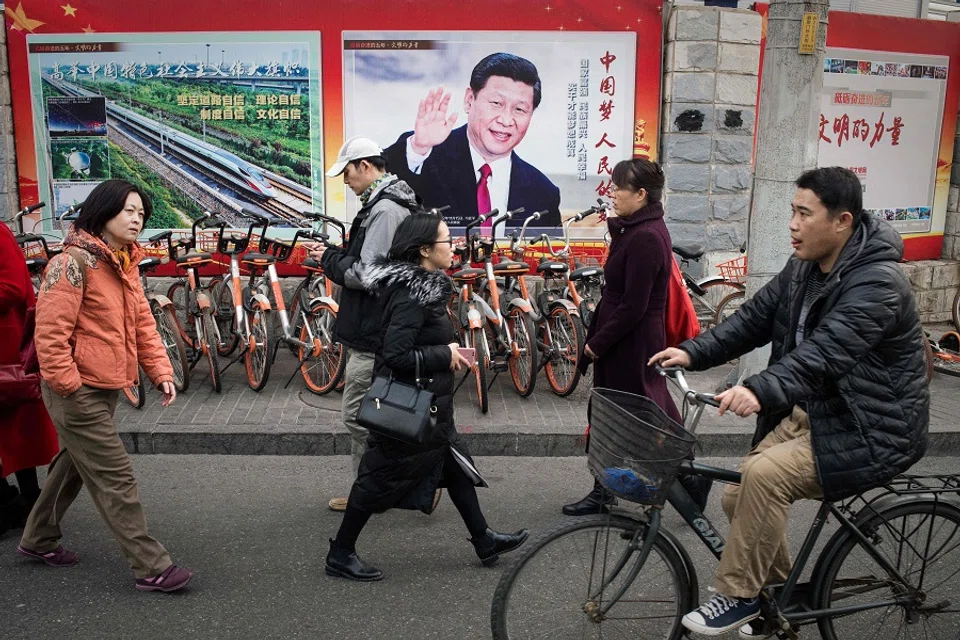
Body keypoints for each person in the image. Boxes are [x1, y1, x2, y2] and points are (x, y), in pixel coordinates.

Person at [650, 167, 929, 637]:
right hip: (819, 413)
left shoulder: (877, 283)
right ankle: (772, 600)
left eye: (804, 213)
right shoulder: (804, 265)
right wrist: (694, 352)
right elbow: (756, 317)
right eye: (792, 212)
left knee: (763, 475)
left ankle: (739, 597)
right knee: (740, 493)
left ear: (842, 221)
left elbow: (824, 355)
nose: (793, 225)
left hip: (873, 426)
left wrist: (758, 389)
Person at [325, 213, 529, 581]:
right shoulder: (413, 294)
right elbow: (394, 354)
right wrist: (444, 354)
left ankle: (483, 539)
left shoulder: (426, 287)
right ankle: (340, 552)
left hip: (432, 405)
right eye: (446, 241)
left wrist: (444, 351)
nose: (453, 247)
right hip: (409, 409)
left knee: (455, 467)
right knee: (375, 480)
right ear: (424, 250)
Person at [19, 179, 193, 593]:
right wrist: (68, 386)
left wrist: (161, 371)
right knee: (116, 476)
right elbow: (50, 336)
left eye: (141, 214)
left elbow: (142, 324)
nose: (137, 219)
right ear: (104, 211)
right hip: (77, 390)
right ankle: (151, 566)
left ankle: (37, 538)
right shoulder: (71, 263)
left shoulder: (124, 262)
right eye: (129, 211)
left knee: (76, 465)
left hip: (106, 383)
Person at [562, 158, 710, 516]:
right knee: (625, 411)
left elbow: (634, 305)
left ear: (641, 194)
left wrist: (598, 342)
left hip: (632, 341)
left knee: (632, 413)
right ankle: (614, 486)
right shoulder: (639, 229)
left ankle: (686, 474)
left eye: (618, 189)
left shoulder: (645, 237)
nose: (612, 194)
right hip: (630, 336)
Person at [308, 136, 418, 512]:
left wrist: (329, 260)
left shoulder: (385, 210)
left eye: (348, 173)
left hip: (373, 332)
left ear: (366, 167)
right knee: (373, 418)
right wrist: (338, 256)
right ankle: (375, 489)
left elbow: (369, 274)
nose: (345, 181)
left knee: (358, 416)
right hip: (374, 328)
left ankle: (386, 487)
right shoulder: (382, 204)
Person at [383, 52, 561, 229]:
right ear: (469, 100)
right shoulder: (424, 154)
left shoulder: (544, 192)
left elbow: (551, 255)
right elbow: (376, 185)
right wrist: (418, 147)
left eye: (520, 109)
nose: (506, 120)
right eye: (496, 103)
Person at [0, 222, 59, 534]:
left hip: (6, 348)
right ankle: (15, 502)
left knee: (17, 429)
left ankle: (30, 503)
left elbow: (13, 288)